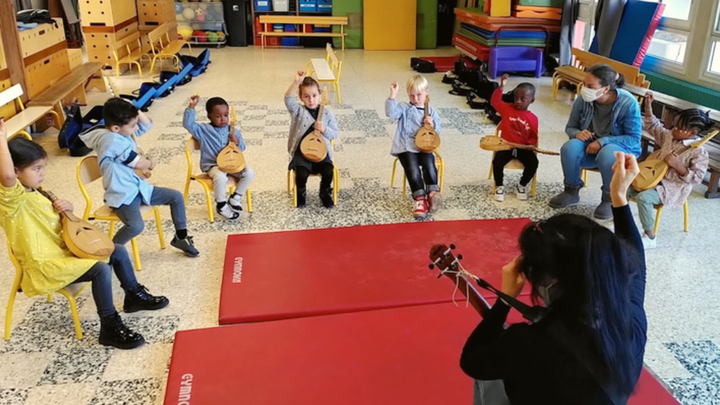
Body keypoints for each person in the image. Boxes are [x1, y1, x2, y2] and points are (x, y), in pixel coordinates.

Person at [461, 152, 647, 404]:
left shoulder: (527, 344)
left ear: (550, 281)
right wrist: (619, 197)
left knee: (487, 380)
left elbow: (472, 361)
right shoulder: (630, 318)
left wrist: (504, 302)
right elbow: (637, 262)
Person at [0, 120, 168, 350]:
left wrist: (66, 208)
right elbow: (7, 178)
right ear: (17, 171)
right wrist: (1, 137)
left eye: (43, 167)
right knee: (100, 270)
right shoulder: (11, 201)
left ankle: (134, 295)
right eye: (36, 169)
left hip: (64, 250)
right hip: (45, 265)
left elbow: (60, 225)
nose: (43, 174)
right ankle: (109, 325)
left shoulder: (39, 192)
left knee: (115, 248)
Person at [80, 98, 199, 257]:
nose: (136, 128)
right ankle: (112, 251)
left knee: (176, 197)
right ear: (115, 127)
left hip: (138, 188)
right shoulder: (111, 140)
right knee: (136, 226)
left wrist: (133, 107)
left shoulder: (121, 131)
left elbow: (147, 124)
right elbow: (138, 163)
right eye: (132, 125)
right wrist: (151, 162)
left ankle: (181, 238)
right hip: (123, 195)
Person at [549, 64, 642, 220]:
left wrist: (603, 141)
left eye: (590, 86)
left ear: (606, 88)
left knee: (608, 153)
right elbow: (570, 127)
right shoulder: (583, 100)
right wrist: (577, 133)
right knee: (569, 147)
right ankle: (571, 190)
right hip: (589, 148)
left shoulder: (628, 102)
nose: (585, 88)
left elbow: (633, 138)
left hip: (619, 150)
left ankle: (609, 198)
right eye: (585, 84)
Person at [630, 92, 712, 249]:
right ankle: (620, 221)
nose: (673, 129)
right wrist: (648, 106)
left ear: (692, 133)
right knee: (623, 186)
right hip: (652, 178)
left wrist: (678, 166)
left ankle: (650, 237)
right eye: (674, 125)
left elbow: (697, 178)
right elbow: (653, 126)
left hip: (671, 189)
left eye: (678, 128)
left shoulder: (698, 152)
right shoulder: (670, 136)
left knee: (643, 198)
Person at [183, 95, 255, 220]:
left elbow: (242, 148)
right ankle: (221, 204)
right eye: (218, 116)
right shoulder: (203, 130)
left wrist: (237, 142)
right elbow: (188, 124)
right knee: (220, 176)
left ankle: (235, 197)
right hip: (213, 166)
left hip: (232, 165)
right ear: (209, 116)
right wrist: (191, 107)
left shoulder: (232, 130)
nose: (223, 119)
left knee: (249, 172)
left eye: (226, 115)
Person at [386, 75, 442, 218]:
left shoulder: (431, 111)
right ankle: (420, 198)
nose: (415, 98)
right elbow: (391, 113)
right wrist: (392, 96)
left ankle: (432, 193)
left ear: (426, 92)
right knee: (412, 168)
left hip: (424, 147)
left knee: (429, 164)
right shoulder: (404, 108)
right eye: (412, 95)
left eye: (419, 95)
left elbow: (438, 132)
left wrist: (432, 125)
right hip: (406, 148)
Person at [285, 71, 339, 208]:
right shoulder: (298, 111)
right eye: (306, 96)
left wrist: (324, 129)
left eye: (314, 96)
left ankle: (324, 192)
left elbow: (335, 134)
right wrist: (296, 82)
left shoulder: (327, 113)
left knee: (328, 171)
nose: (311, 100)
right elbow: (288, 99)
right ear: (301, 98)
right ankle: (300, 194)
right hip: (302, 153)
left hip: (322, 152)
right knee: (301, 173)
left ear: (320, 96)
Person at [491, 74, 539, 202]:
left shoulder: (533, 118)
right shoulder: (507, 109)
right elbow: (495, 102)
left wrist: (531, 144)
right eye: (516, 98)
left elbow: (533, 135)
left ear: (531, 101)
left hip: (523, 148)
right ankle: (499, 186)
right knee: (497, 162)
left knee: (533, 163)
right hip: (506, 145)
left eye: (523, 99)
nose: (518, 101)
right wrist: (501, 87)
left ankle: (521, 185)